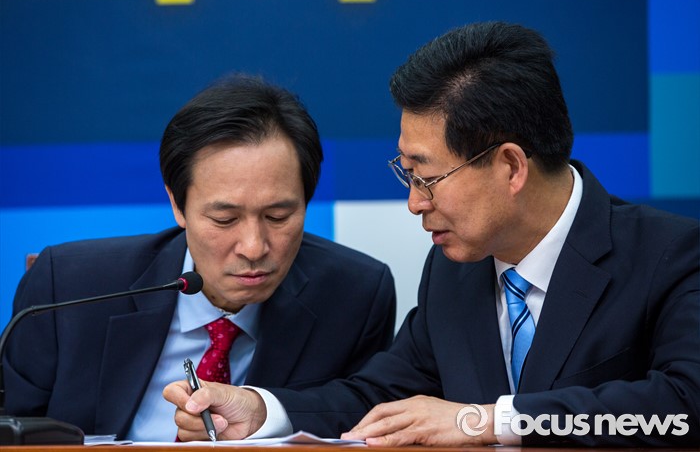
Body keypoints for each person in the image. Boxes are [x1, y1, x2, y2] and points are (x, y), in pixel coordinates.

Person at [163, 22, 700, 447]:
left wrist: (484, 421)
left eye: (427, 177)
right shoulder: (453, 270)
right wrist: (262, 411)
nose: (415, 203)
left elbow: (683, 407)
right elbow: (379, 397)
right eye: (407, 175)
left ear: (511, 167)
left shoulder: (671, 256)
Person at [3, 75, 397, 441]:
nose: (253, 247)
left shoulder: (354, 296)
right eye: (225, 219)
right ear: (178, 204)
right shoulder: (68, 287)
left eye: (278, 217)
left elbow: (359, 418)